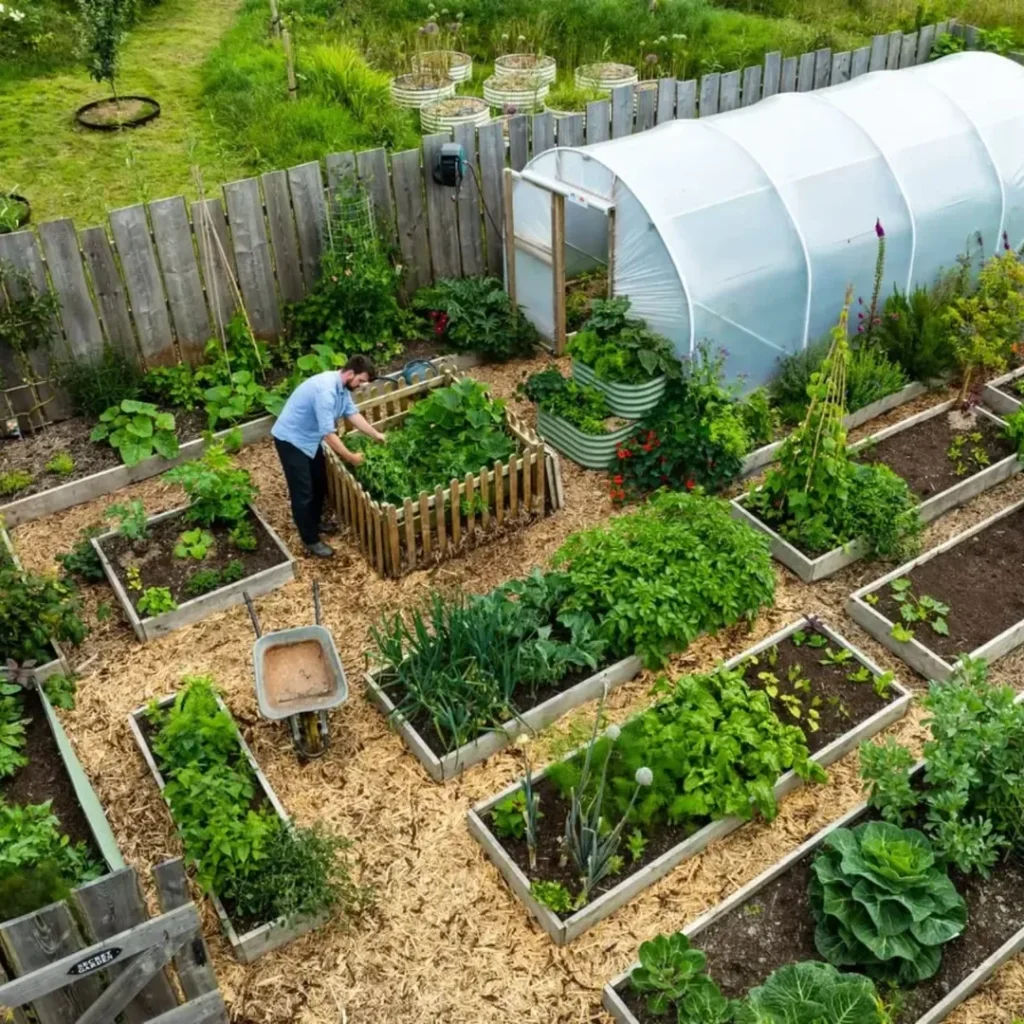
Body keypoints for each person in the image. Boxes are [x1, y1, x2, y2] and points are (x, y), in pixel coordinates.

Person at [271, 355, 385, 558]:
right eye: (360, 381)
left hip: (309, 439)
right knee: (303, 491)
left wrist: (376, 434)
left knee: (319, 482)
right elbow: (328, 434)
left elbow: (352, 414)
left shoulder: (342, 388)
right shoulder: (326, 391)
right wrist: (350, 457)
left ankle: (314, 522)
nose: (360, 386)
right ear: (350, 373)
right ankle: (310, 539)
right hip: (291, 440)